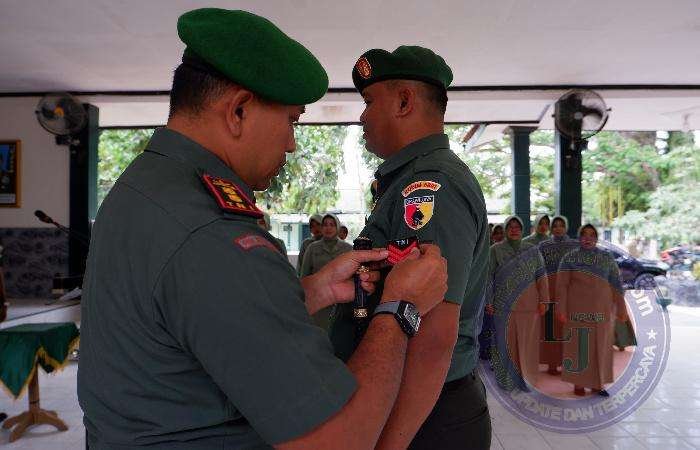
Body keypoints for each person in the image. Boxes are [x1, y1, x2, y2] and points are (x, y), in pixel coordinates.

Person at [78, 9, 449, 449]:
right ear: (237, 111)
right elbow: (336, 442)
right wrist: (401, 306)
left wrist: (314, 290)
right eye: (291, 121)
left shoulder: (145, 184)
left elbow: (202, 316)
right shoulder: (215, 235)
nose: (291, 144)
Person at [329, 45, 491, 450]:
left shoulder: (431, 185)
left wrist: (387, 445)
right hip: (413, 404)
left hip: (424, 415)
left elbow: (433, 339)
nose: (362, 117)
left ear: (404, 102)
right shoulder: (407, 181)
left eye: (369, 102)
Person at [557, 224, 628, 397]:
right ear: (579, 238)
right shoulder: (570, 258)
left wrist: (621, 308)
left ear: (596, 238)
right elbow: (562, 286)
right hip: (577, 309)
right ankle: (579, 383)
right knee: (579, 346)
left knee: (601, 346)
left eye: (592, 235)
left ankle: (598, 384)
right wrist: (561, 309)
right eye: (584, 235)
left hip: (602, 310)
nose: (588, 238)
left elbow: (616, 284)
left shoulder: (606, 258)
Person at [486, 216, 548, 391]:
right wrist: (489, 301)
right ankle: (506, 380)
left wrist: (544, 300)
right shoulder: (495, 250)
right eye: (510, 227)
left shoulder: (532, 250)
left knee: (527, 344)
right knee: (504, 343)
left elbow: (541, 276)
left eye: (517, 227)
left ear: (522, 230)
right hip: (503, 306)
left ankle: (525, 380)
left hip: (529, 306)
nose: (514, 230)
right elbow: (488, 278)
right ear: (506, 230)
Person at [537, 215, 577, 375]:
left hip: (569, 291)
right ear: (551, 228)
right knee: (550, 329)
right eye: (555, 226)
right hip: (549, 290)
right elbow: (539, 270)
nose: (558, 228)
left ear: (566, 227)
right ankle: (552, 363)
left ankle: (569, 362)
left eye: (562, 225)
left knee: (567, 327)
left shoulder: (574, 245)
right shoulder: (543, 246)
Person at [300, 214, 353, 329]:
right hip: (319, 303)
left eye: (332, 225)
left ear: (337, 227)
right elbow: (304, 276)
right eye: (325, 225)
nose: (328, 228)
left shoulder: (348, 249)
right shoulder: (312, 248)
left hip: (341, 304)